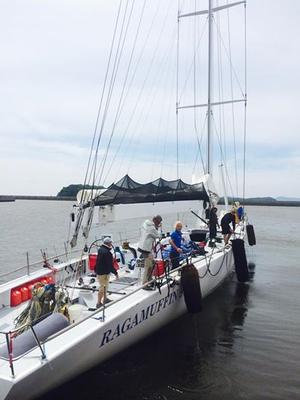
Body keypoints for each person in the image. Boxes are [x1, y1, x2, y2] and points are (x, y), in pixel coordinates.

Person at [137, 215, 162, 288]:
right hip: (146, 249)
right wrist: (159, 228)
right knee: (147, 266)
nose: (158, 223)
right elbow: (159, 236)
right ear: (155, 221)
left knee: (152, 263)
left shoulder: (146, 224)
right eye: (158, 222)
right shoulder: (152, 228)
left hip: (142, 247)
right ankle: (145, 283)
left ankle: (149, 278)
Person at [95, 237, 118, 308]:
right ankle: (98, 303)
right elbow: (110, 265)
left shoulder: (100, 250)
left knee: (105, 286)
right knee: (102, 287)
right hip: (103, 273)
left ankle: (105, 299)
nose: (111, 244)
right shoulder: (107, 253)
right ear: (109, 243)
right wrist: (116, 273)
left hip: (99, 271)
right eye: (111, 243)